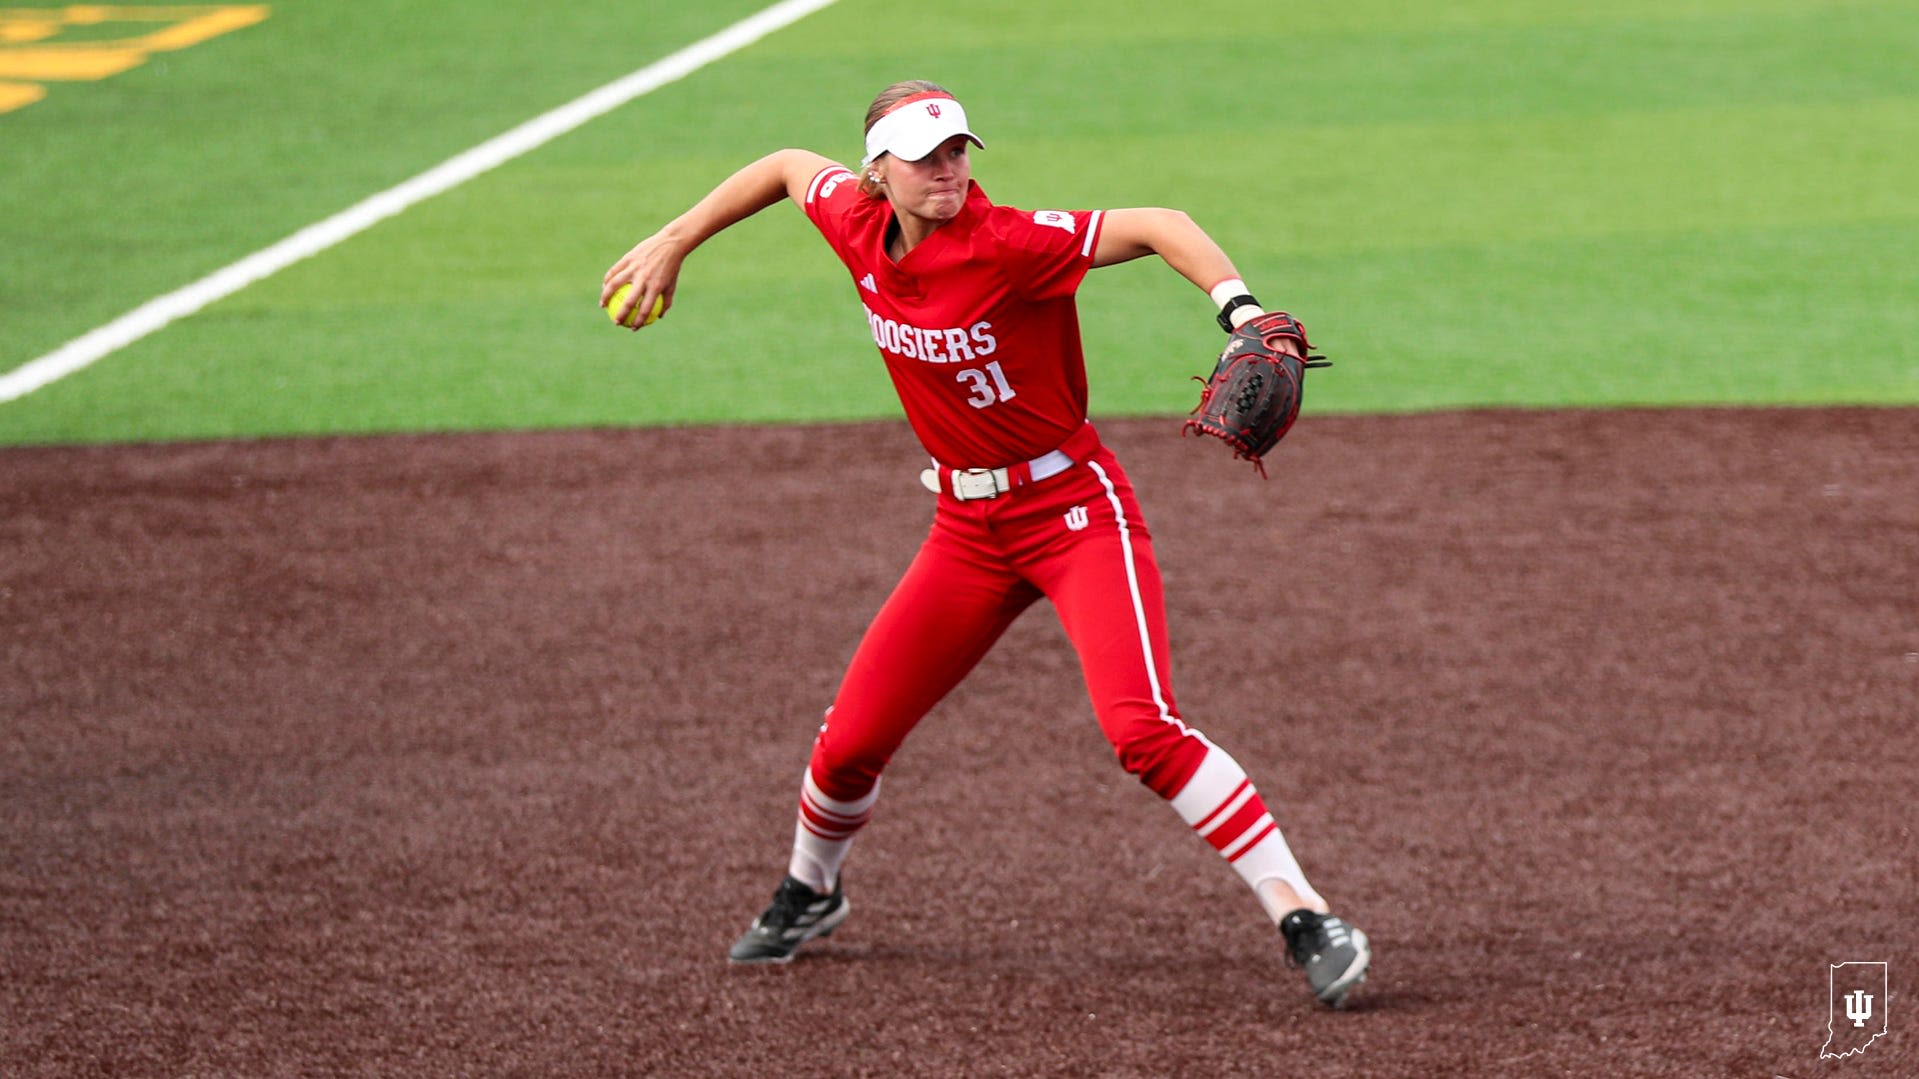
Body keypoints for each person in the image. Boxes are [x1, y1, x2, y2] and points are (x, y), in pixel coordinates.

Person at [601, 80, 1371, 1007]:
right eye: (924, 157)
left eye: (958, 149)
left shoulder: (1009, 242)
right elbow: (779, 166)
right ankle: (810, 888)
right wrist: (676, 239)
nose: (948, 170)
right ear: (877, 173)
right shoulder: (852, 221)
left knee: (1140, 729)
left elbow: (1161, 222)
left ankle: (1302, 912)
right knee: (847, 745)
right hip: (966, 530)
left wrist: (1240, 310)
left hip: (1075, 513)